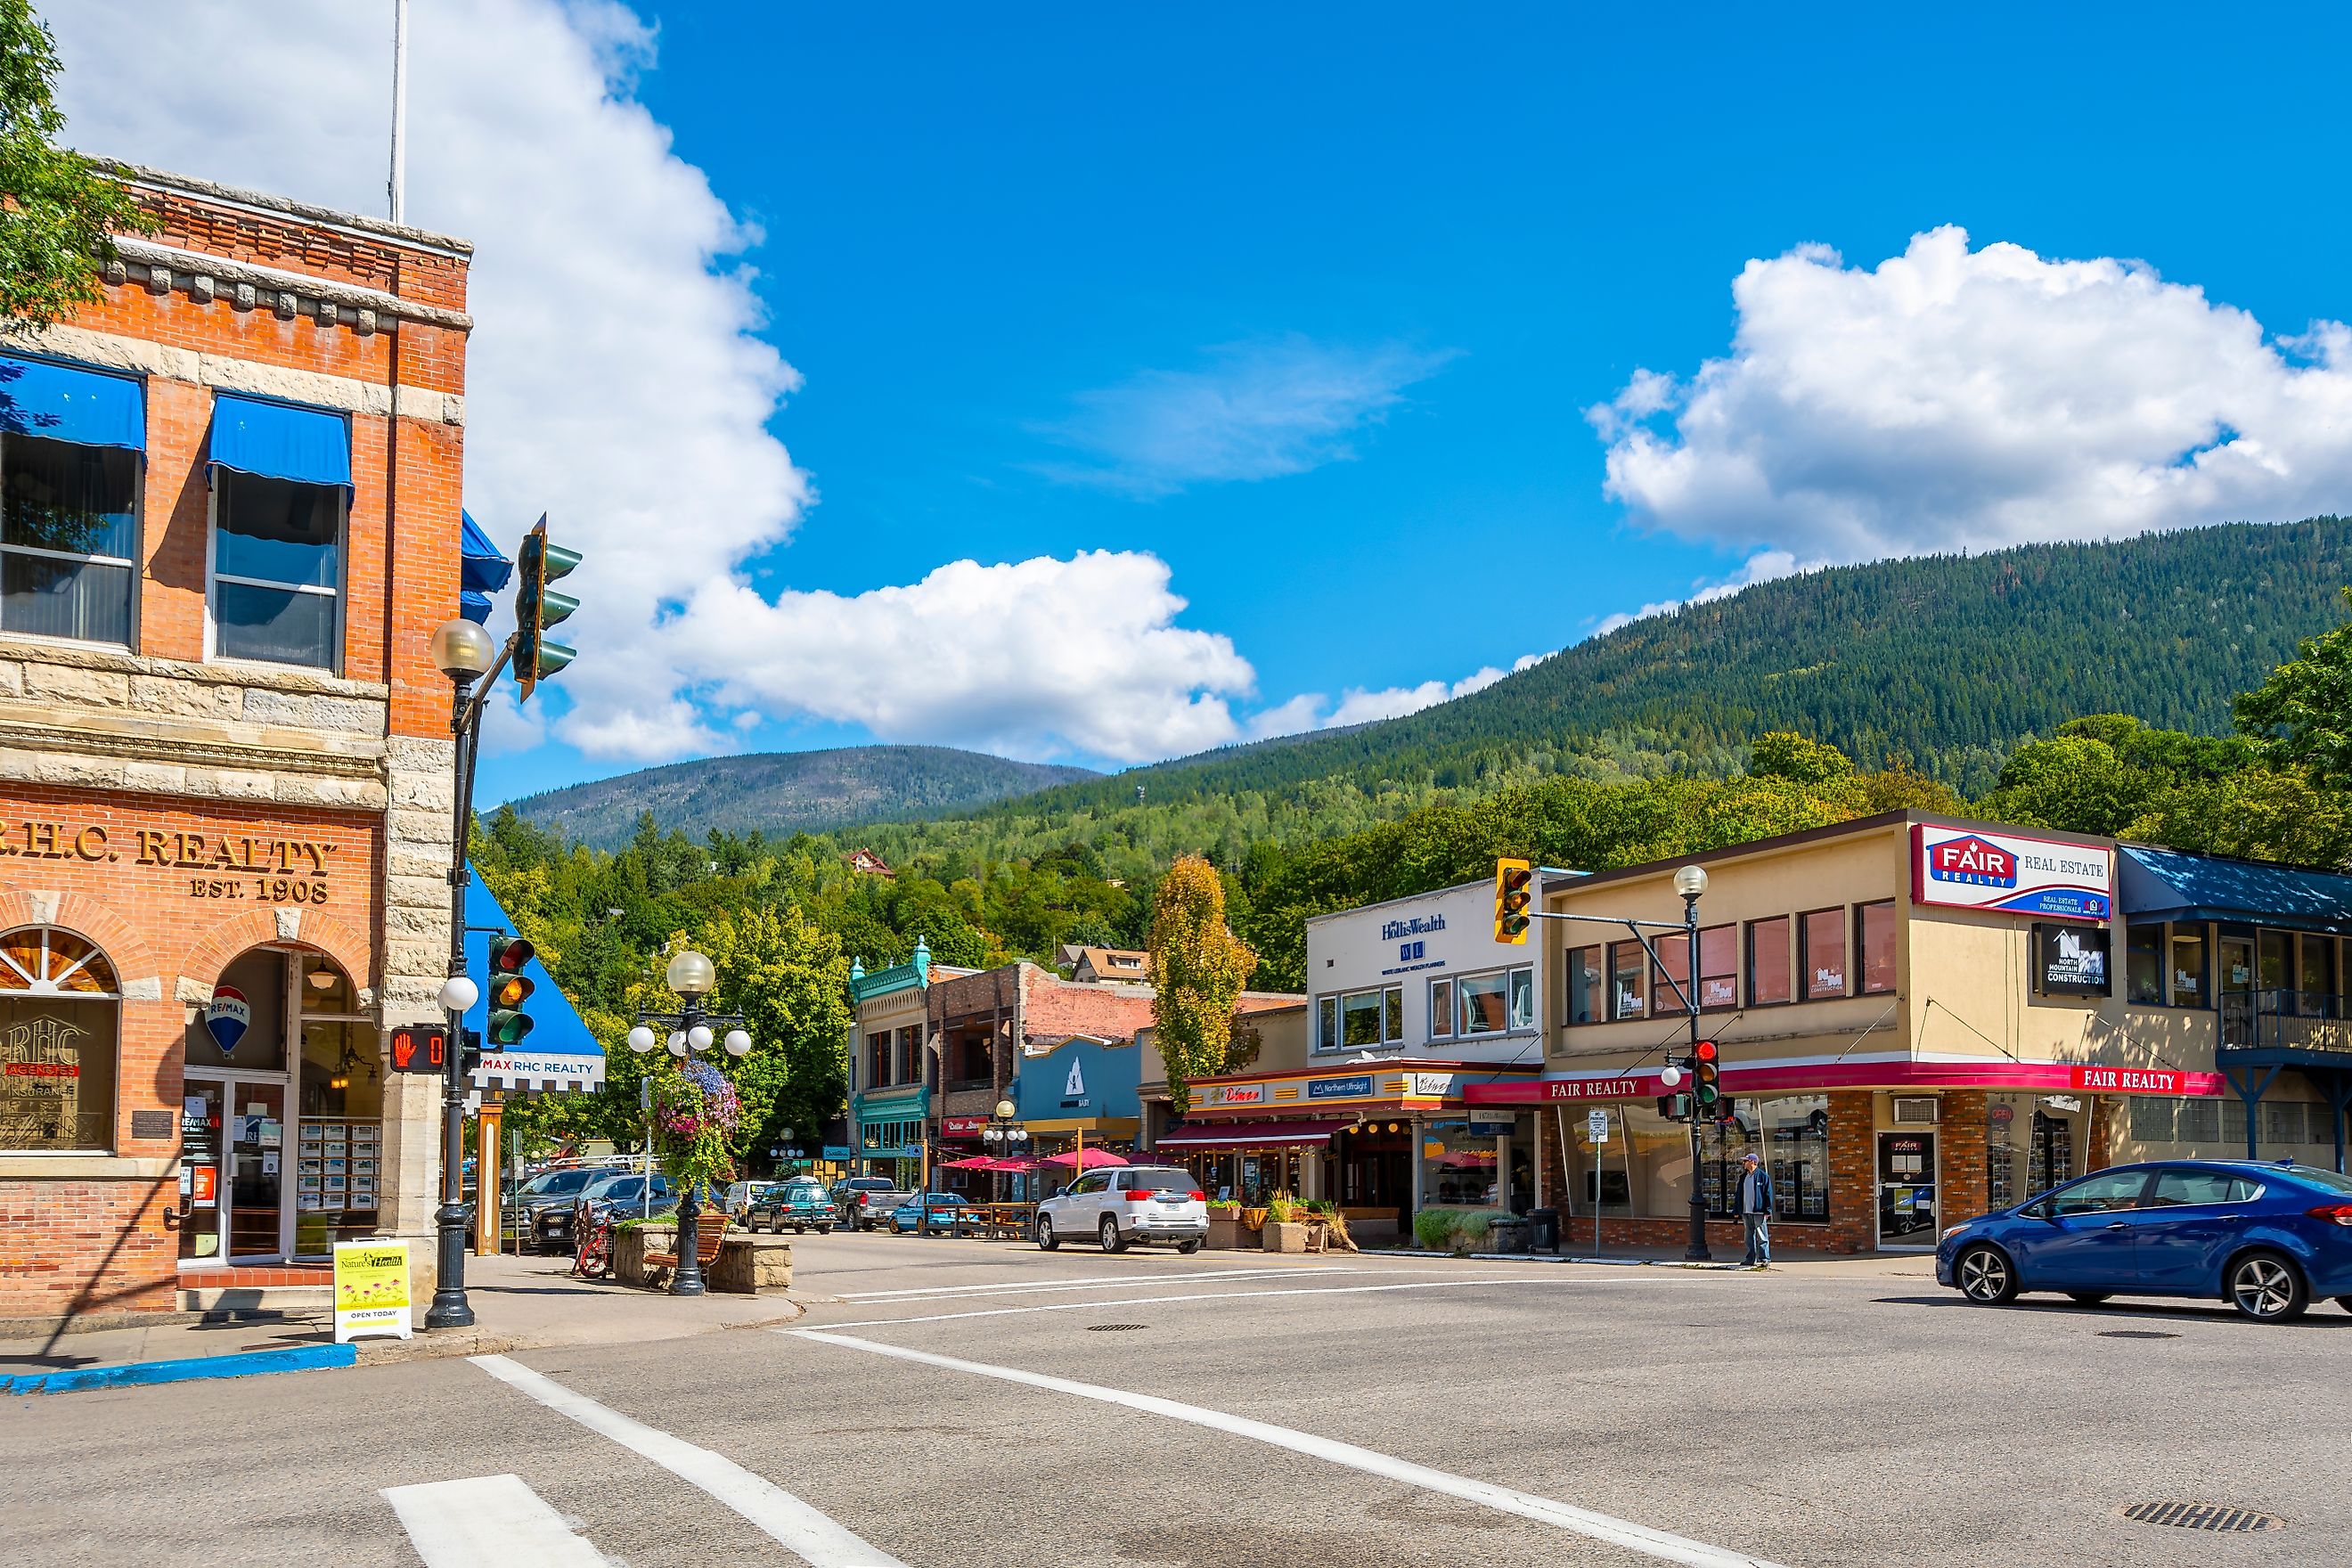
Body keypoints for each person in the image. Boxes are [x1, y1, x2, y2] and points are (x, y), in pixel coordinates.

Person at [1737, 1150, 1775, 1268]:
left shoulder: (1763, 1176)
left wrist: (1767, 1210)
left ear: (1753, 1162)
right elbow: (1739, 1194)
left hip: (1759, 1211)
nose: (1744, 1163)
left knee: (1762, 1236)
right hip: (1746, 1211)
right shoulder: (1743, 1177)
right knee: (1748, 1237)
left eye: (1746, 1161)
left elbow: (1768, 1194)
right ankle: (1750, 1258)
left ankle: (1764, 1258)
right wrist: (1737, 1210)